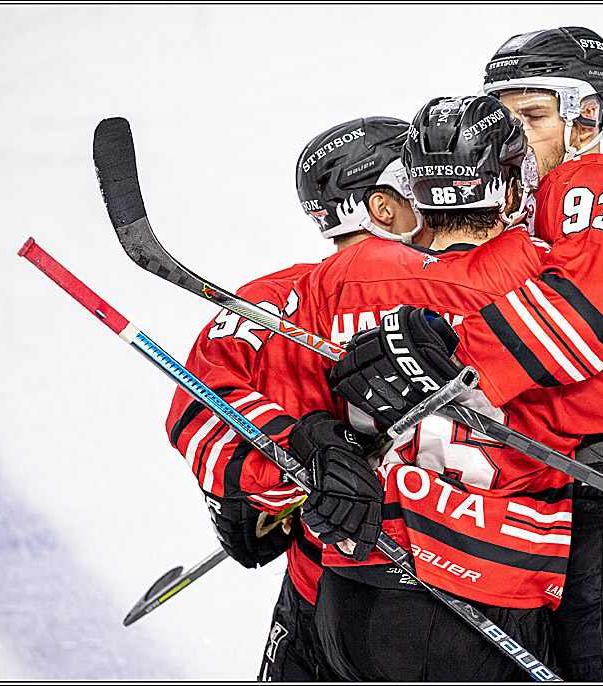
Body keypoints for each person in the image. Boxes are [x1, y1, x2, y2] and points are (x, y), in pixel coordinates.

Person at [328, 27, 603, 680]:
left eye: (531, 116)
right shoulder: (517, 219)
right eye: (501, 117)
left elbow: (585, 312)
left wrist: (443, 357)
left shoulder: (601, 179)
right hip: (579, 503)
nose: (513, 135)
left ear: (585, 118)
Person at [164, 116, 424, 681]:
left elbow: (195, 411)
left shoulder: (273, 297)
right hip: (441, 597)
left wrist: (268, 478)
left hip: (315, 592)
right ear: (384, 202)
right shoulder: (459, 281)